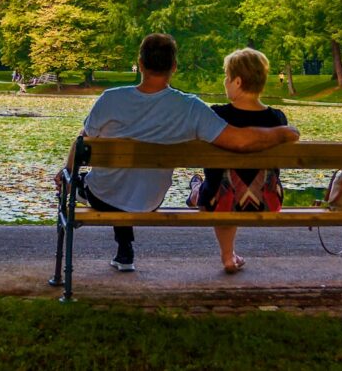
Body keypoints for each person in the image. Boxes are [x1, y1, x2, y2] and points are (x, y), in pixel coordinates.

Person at [55, 34, 299, 272]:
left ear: (140, 64)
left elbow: (81, 141)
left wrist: (66, 171)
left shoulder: (110, 99)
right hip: (149, 201)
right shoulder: (190, 107)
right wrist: (284, 132)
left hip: (102, 196)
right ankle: (124, 247)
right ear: (174, 66)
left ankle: (117, 241)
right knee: (131, 187)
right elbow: (240, 141)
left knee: (97, 183)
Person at [186, 48, 287, 273]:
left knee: (221, 187)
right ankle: (197, 190)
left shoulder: (216, 115)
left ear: (238, 82)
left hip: (221, 201)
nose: (225, 82)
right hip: (268, 201)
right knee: (229, 184)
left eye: (227, 77)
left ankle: (227, 256)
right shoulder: (277, 118)